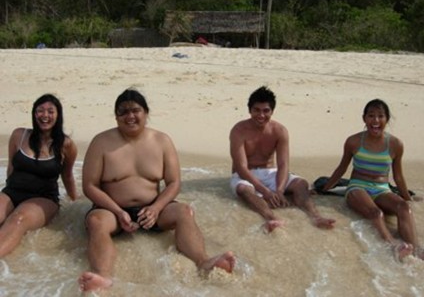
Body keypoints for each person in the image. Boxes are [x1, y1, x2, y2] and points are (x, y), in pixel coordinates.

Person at [78, 89, 235, 292]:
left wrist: (156, 208)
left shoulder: (161, 141)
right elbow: (89, 185)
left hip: (153, 210)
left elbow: (174, 182)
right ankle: (104, 276)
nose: (130, 116)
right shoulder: (101, 142)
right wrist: (118, 211)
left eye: (136, 110)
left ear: (146, 113)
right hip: (112, 212)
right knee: (96, 221)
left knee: (184, 211)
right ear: (116, 116)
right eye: (123, 112)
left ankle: (203, 262)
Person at [321, 99, 423, 261]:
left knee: (403, 208)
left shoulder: (395, 144)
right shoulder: (353, 141)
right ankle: (392, 244)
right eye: (371, 116)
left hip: (382, 188)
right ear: (364, 118)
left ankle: (415, 250)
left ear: (387, 119)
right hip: (357, 187)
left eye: (380, 116)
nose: (375, 121)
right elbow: (341, 168)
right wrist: (325, 188)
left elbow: (398, 176)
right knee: (376, 213)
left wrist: (407, 198)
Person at [229, 86, 335, 233]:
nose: (261, 115)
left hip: (271, 172)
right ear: (250, 110)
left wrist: (279, 190)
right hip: (246, 174)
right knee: (243, 190)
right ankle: (270, 217)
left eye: (266, 111)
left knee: (301, 184)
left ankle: (315, 217)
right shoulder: (239, 130)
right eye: (256, 110)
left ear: (272, 111)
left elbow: (283, 163)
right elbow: (241, 167)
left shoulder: (279, 131)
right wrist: (265, 191)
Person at [0, 94, 78, 257]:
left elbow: (68, 176)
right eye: (40, 111)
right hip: (12, 192)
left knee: (17, 219)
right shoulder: (19, 135)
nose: (45, 115)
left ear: (58, 115)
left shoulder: (66, 145)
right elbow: (11, 168)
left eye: (50, 111)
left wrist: (75, 201)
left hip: (43, 198)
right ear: (34, 114)